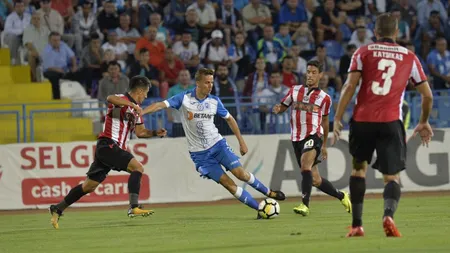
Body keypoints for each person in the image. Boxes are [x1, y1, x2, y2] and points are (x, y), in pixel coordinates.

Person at [333, 13, 434, 238]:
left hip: (362, 121)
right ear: (396, 32)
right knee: (392, 177)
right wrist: (423, 122)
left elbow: (349, 86)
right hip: (390, 121)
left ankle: (357, 225)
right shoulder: (410, 57)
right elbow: (427, 96)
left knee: (358, 169)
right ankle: (388, 216)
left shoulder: (363, 52)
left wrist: (337, 118)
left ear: (375, 33)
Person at [142, 68, 286, 218]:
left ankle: (269, 192)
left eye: (211, 82)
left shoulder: (214, 101)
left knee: (240, 173)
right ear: (198, 83)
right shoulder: (184, 98)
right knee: (229, 184)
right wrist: (142, 112)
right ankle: (259, 209)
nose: (210, 85)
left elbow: (230, 119)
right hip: (200, 155)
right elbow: (160, 105)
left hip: (218, 145)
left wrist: (241, 142)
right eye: (207, 82)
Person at [49, 76, 168, 229]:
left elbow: (140, 132)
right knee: (138, 168)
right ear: (139, 91)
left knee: (88, 187)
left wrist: (155, 133)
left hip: (110, 149)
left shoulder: (136, 110)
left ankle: (58, 208)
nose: (145, 96)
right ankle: (134, 207)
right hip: (108, 144)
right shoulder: (122, 99)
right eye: (145, 93)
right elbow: (110, 98)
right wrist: (132, 104)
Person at [272, 60, 352, 216]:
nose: (310, 75)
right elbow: (283, 106)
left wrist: (323, 145)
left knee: (305, 166)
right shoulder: (294, 91)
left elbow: (324, 122)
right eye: (308, 72)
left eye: (314, 72)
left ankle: (305, 205)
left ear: (320, 75)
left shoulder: (325, 98)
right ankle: (342, 195)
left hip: (313, 135)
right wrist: (278, 109)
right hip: (296, 138)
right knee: (315, 179)